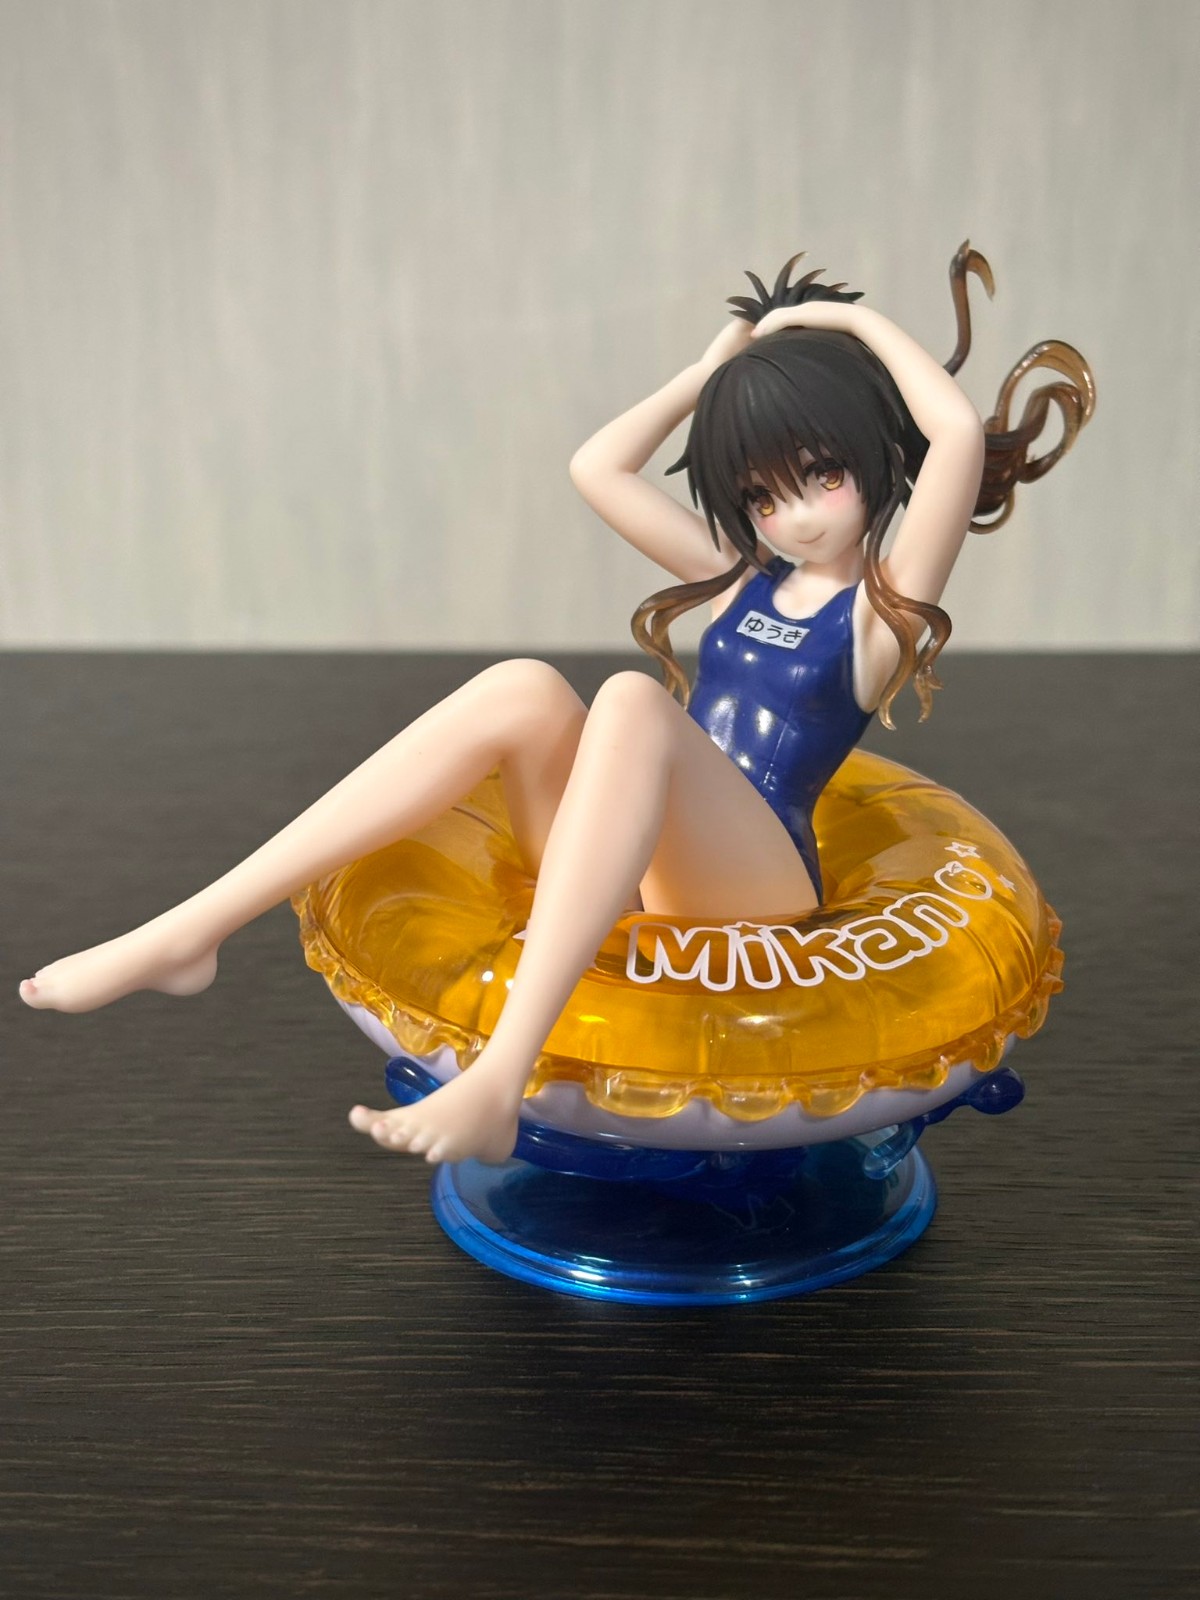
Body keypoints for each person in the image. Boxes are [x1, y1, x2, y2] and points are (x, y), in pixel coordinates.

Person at [18, 246, 1092, 1167]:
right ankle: (190, 931)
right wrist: (713, 370)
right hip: (644, 862)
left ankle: (498, 1079)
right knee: (525, 686)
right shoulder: (741, 581)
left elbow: (954, 436)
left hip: (758, 891)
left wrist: (845, 326)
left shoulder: (880, 614)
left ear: (869, 461)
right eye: (763, 495)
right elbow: (597, 467)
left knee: (629, 699)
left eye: (820, 476)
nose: (796, 516)